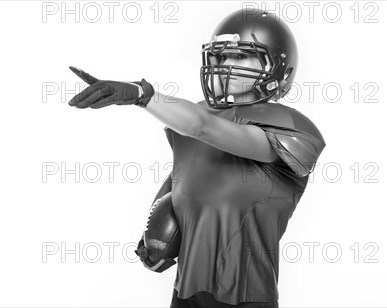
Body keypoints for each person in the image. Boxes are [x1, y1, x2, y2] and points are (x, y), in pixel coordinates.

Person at [67, 8, 326, 308]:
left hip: (246, 297)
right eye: (221, 56)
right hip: (186, 292)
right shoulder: (197, 115)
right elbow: (182, 177)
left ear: (278, 69)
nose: (226, 64)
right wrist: (156, 232)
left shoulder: (290, 128)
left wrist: (143, 95)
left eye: (240, 57)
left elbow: (203, 127)